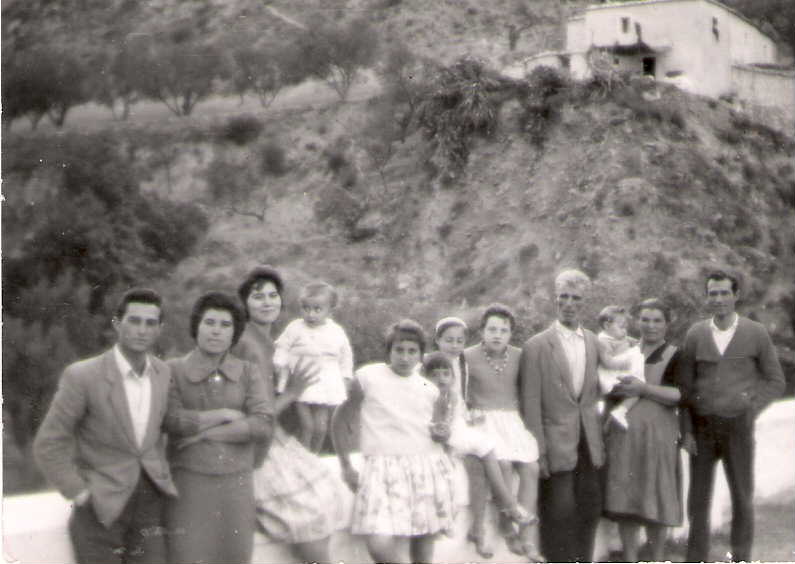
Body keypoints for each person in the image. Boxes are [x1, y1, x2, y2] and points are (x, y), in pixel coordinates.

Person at [33, 288, 178, 564]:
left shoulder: (163, 373)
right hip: (100, 507)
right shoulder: (83, 375)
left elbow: (166, 427)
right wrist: (79, 492)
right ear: (116, 323)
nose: (142, 330)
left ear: (160, 329)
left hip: (149, 505)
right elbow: (49, 443)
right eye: (134, 321)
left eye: (150, 323)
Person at [233, 266, 346, 564]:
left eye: (273, 296)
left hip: (274, 435)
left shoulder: (270, 340)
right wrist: (294, 393)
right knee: (309, 508)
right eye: (258, 297)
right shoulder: (246, 342)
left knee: (328, 488)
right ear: (244, 302)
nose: (267, 302)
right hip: (253, 445)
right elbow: (250, 411)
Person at [331, 319, 457, 564]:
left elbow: (439, 432)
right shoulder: (368, 377)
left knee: (423, 547)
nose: (405, 357)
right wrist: (346, 465)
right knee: (378, 544)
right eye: (399, 350)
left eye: (412, 351)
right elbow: (339, 420)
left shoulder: (428, 389)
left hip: (424, 468)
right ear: (388, 351)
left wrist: (442, 434)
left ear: (421, 354)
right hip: (379, 469)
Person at [681, 270, 785, 562]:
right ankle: (696, 559)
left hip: (738, 426)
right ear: (707, 296)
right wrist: (686, 430)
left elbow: (776, 380)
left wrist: (751, 408)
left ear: (736, 295)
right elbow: (685, 389)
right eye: (713, 293)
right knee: (698, 502)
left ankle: (741, 558)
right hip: (702, 428)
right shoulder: (696, 334)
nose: (718, 299)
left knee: (742, 498)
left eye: (724, 292)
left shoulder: (755, 333)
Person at [164, 292, 273, 564]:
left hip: (236, 484)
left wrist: (205, 432)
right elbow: (172, 420)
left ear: (235, 332)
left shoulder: (248, 372)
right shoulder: (173, 370)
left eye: (225, 325)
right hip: (189, 482)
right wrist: (223, 414)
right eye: (209, 322)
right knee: (188, 556)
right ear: (196, 326)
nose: (216, 331)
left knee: (235, 557)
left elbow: (263, 424)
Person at [519, 269, 604, 563]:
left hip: (588, 442)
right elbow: (530, 402)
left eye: (576, 298)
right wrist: (538, 451)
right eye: (563, 298)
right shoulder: (537, 346)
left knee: (591, 508)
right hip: (555, 443)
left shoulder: (593, 341)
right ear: (555, 301)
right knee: (559, 512)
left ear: (585, 303)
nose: (569, 304)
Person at [603, 298, 691, 561]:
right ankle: (631, 558)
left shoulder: (676, 354)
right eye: (645, 319)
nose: (650, 326)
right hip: (625, 435)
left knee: (657, 496)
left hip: (658, 436)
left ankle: (656, 557)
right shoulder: (626, 353)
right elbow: (609, 388)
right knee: (627, 499)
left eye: (657, 320)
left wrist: (644, 389)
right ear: (636, 321)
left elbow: (681, 394)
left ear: (667, 324)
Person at [464, 304, 542, 561]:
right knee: (504, 464)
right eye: (492, 329)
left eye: (504, 330)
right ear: (482, 331)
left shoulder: (520, 356)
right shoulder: (468, 356)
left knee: (530, 468)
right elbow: (457, 393)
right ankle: (507, 525)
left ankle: (527, 536)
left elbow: (528, 390)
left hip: (511, 421)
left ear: (511, 334)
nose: (497, 335)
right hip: (483, 420)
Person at [422, 352, 534, 526]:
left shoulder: (452, 394)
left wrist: (472, 420)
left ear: (452, 377)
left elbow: (459, 415)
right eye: (434, 375)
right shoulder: (430, 395)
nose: (441, 379)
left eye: (445, 374)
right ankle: (509, 503)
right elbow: (436, 422)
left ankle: (507, 504)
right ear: (425, 377)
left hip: (459, 429)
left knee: (490, 448)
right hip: (450, 435)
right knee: (486, 447)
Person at [273, 280, 354, 452]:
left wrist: (346, 376)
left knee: (321, 428)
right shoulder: (295, 327)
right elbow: (283, 346)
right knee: (307, 426)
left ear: (330, 311)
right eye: (306, 308)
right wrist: (279, 361)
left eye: (317, 310)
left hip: (326, 382)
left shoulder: (336, 331)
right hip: (302, 379)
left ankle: (313, 458)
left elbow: (345, 355)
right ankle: (302, 460)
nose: (311, 315)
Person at [596, 305, 645, 430]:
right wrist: (626, 361)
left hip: (619, 375)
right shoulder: (603, 341)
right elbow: (608, 362)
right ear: (607, 326)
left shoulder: (618, 336)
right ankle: (620, 411)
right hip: (611, 378)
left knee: (637, 387)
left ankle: (619, 412)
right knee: (637, 391)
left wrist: (637, 343)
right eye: (621, 326)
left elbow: (630, 340)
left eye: (626, 327)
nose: (625, 330)